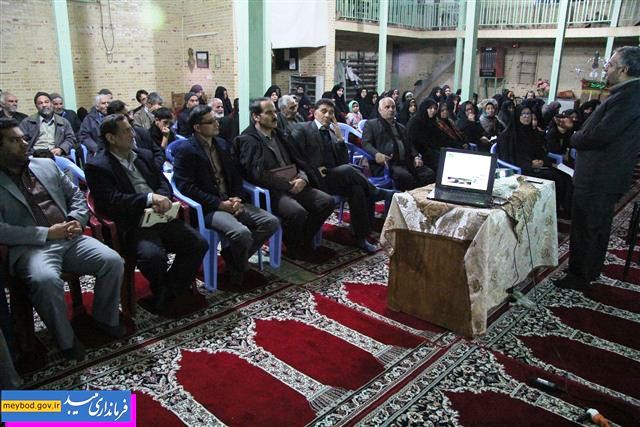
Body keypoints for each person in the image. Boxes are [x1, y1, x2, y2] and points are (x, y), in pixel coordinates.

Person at [0, 118, 125, 361]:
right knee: (45, 280)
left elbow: (77, 196)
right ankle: (66, 340)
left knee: (112, 261)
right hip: (31, 247)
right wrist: (46, 233)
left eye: (24, 138)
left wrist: (76, 219)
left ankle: (104, 319)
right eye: (15, 140)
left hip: (69, 237)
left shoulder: (45, 165)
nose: (24, 144)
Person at [85, 114, 208, 311]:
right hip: (133, 223)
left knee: (198, 243)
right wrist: (149, 199)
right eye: (126, 131)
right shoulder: (98, 166)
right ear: (111, 138)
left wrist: (161, 198)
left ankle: (168, 291)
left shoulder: (143, 155)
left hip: (160, 215)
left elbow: (163, 183)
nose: (132, 134)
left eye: (131, 129)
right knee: (153, 257)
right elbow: (111, 201)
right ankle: (164, 292)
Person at [555, 46, 640, 290]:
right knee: (596, 226)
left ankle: (580, 276)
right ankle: (588, 269)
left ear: (623, 70)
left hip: (600, 176)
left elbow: (600, 135)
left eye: (610, 65)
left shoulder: (629, 96)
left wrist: (573, 136)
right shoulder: (627, 93)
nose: (606, 69)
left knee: (588, 227)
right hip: (605, 175)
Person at [173, 105, 279, 286]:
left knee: (271, 222)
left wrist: (237, 197)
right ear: (197, 127)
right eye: (211, 121)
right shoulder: (186, 150)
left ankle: (233, 258)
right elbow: (186, 187)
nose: (217, 124)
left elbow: (235, 176)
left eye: (216, 120)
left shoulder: (222, 144)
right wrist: (218, 203)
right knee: (242, 233)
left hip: (231, 201)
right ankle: (239, 272)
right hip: (209, 208)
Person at [234, 97, 334, 260]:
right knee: (297, 212)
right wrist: (287, 185)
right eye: (269, 112)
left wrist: (303, 178)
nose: (275, 116)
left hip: (296, 183)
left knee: (327, 201)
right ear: (256, 117)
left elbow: (300, 160)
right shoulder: (247, 140)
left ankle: (303, 241)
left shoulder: (281, 134)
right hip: (272, 191)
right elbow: (257, 174)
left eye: (274, 111)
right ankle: (295, 248)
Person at [291, 99, 388, 253]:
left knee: (357, 189)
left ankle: (360, 237)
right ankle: (376, 192)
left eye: (331, 112)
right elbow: (298, 158)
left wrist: (340, 138)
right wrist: (311, 173)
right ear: (315, 113)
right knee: (348, 170)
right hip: (315, 178)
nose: (327, 115)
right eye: (323, 111)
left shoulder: (332, 133)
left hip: (333, 177)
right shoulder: (303, 129)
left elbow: (343, 161)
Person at [496, 105, 573, 215]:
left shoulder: (532, 133)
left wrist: (542, 161)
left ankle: (562, 210)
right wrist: (529, 164)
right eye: (523, 114)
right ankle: (551, 211)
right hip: (521, 170)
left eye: (528, 114)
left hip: (537, 167)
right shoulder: (507, 136)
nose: (526, 117)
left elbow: (540, 152)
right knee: (556, 179)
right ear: (517, 116)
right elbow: (507, 158)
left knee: (565, 176)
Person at [362, 97, 434, 191]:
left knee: (429, 173)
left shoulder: (401, 127)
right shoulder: (371, 125)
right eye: (387, 107)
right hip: (388, 164)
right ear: (380, 110)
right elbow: (366, 143)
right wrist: (376, 154)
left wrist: (416, 156)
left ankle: (420, 196)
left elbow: (409, 145)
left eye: (393, 107)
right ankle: (408, 197)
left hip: (406, 161)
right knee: (405, 177)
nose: (391, 109)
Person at [20, 92, 76, 157]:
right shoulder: (27, 122)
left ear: (51, 104)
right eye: (40, 103)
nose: (44, 105)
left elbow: (71, 138)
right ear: (36, 106)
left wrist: (61, 149)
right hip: (35, 156)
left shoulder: (63, 122)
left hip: (57, 156)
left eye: (46, 102)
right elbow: (20, 140)